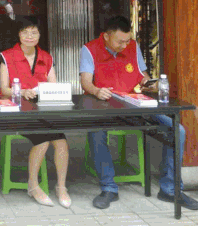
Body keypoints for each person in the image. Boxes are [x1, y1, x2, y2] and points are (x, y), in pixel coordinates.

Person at [80, 15, 198, 210]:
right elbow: (85, 82)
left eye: (127, 41)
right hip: (105, 108)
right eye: (120, 41)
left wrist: (148, 83)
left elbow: (143, 76)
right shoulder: (89, 49)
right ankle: (108, 188)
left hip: (134, 106)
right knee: (96, 131)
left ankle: (170, 189)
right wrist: (96, 91)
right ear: (107, 36)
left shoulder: (133, 47)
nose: (124, 45)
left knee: (177, 130)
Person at [0, 17, 71, 208]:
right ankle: (32, 185)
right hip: (18, 112)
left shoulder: (47, 57)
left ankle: (61, 187)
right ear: (18, 35)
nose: (29, 36)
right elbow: (4, 89)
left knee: (62, 143)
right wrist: (22, 92)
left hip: (43, 111)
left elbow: (53, 85)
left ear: (40, 35)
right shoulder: (6, 56)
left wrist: (46, 91)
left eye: (34, 32)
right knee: (43, 140)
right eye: (25, 32)